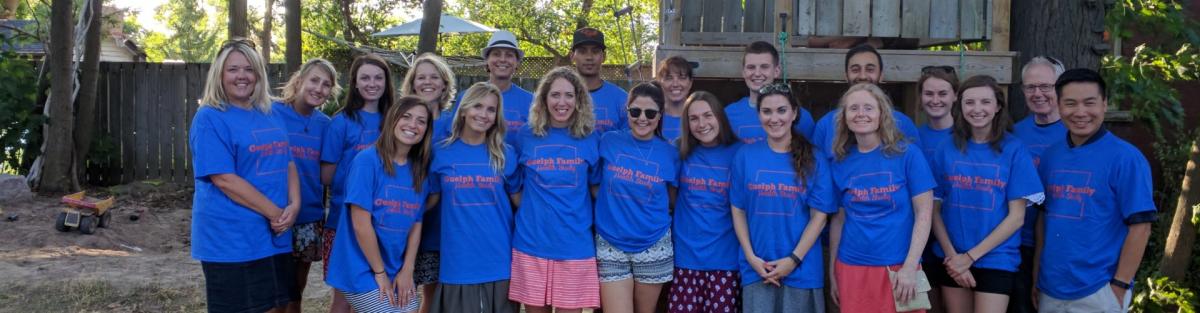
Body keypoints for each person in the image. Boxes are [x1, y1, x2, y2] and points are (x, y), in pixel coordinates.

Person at [189, 38, 299, 313]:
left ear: (259, 74)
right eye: (233, 69)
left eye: (249, 69)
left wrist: (294, 206)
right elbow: (224, 179)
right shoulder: (210, 118)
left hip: (274, 235)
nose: (242, 76)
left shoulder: (270, 113)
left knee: (278, 307)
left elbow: (288, 162)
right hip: (232, 239)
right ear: (220, 74)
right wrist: (276, 212)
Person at [1035, 68, 1156, 313]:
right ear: (1059, 106)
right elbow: (1043, 220)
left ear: (1104, 104)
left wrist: (1119, 286)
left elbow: (1141, 226)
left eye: (1089, 103)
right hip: (1050, 288)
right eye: (1070, 103)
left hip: (1099, 290)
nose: (1080, 112)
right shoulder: (1051, 156)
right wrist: (1037, 276)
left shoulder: (1126, 158)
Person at [927, 75, 1043, 313]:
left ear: (998, 106)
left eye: (985, 102)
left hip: (996, 258)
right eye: (970, 102)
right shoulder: (946, 148)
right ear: (960, 106)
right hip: (952, 257)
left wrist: (969, 257)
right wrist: (953, 257)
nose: (977, 109)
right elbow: (933, 208)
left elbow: (1016, 217)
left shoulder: (1014, 149)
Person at [828, 83, 935, 313]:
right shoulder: (839, 162)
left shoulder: (907, 154)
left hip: (900, 267)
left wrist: (910, 267)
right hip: (853, 266)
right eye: (853, 108)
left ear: (881, 114)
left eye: (868, 107)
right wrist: (832, 270)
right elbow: (838, 220)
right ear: (844, 117)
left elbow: (924, 214)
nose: (861, 114)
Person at [730, 84, 835, 312]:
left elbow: (820, 218)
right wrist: (751, 257)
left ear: (794, 113)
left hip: (801, 270)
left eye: (781, 110)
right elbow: (738, 210)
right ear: (759, 115)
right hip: (758, 269)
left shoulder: (814, 158)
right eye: (767, 111)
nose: (774, 118)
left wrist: (793, 260)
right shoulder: (745, 156)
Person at [508, 66, 603, 312]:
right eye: (555, 95)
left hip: (574, 245)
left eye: (569, 95)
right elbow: (515, 186)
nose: (562, 102)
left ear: (579, 99)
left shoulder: (590, 137)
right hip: (532, 243)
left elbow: (595, 189)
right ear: (544, 99)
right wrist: (533, 210)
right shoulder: (525, 135)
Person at [325, 96, 434, 313]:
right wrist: (380, 273)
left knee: (410, 309)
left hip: (395, 267)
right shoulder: (367, 161)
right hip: (361, 267)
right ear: (392, 119)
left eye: (421, 121)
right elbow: (360, 224)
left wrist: (407, 271)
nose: (413, 125)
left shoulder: (419, 170)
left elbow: (416, 224)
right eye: (406, 117)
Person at [426, 82, 522, 312]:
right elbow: (427, 203)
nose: (484, 114)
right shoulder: (440, 152)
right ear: (464, 109)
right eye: (478, 106)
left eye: (491, 109)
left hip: (499, 259)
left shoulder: (505, 154)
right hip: (457, 260)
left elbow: (522, 203)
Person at [320, 53, 398, 313]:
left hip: (385, 223)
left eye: (378, 77)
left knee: (375, 296)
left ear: (387, 83)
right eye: (365, 77)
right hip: (344, 222)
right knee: (344, 298)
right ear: (354, 82)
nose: (372, 83)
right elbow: (326, 176)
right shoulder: (341, 122)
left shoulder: (396, 120)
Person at [594, 82, 680, 313]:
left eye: (650, 113)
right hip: (611, 241)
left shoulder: (670, 153)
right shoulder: (609, 141)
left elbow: (671, 199)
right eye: (635, 111)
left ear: (660, 116)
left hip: (652, 242)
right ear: (627, 111)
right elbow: (594, 186)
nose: (642, 118)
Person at [272, 58, 341, 313]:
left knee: (295, 291)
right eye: (314, 80)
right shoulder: (271, 112)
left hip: (309, 217)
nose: (319, 88)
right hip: (274, 213)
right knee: (273, 294)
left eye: (326, 85)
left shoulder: (325, 124)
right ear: (299, 80)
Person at [668, 91, 744, 313]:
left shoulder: (739, 152)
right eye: (694, 118)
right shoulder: (679, 150)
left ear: (719, 116)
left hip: (726, 260)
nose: (702, 124)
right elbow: (672, 197)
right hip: (686, 258)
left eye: (708, 115)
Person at [399, 53, 457, 312]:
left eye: (434, 77)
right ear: (412, 84)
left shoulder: (455, 123)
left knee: (434, 295)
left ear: (445, 84)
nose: (427, 82)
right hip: (403, 219)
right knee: (401, 292)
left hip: (443, 223)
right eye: (421, 77)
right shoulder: (400, 121)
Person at [1008, 55, 1065, 313]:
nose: (1037, 93)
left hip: (1058, 246)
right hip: (1018, 243)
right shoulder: (1014, 134)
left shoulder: (1076, 131)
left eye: (1046, 86)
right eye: (1030, 87)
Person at [810, 44, 921, 155]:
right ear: (846, 76)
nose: (863, 76)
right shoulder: (825, 125)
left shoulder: (903, 123)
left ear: (881, 75)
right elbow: (816, 169)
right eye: (855, 70)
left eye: (870, 69)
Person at [914, 65, 959, 313]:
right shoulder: (913, 137)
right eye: (929, 94)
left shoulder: (966, 136)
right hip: (921, 240)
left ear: (955, 96)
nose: (935, 100)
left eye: (942, 93)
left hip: (957, 238)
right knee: (929, 307)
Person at [723, 41, 816, 144]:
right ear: (743, 72)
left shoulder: (801, 116)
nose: (757, 73)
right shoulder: (728, 114)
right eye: (751, 67)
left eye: (764, 67)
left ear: (776, 71)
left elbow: (808, 156)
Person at [450, 30, 534, 137]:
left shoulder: (531, 102)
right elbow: (454, 134)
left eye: (509, 55)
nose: (503, 59)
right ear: (486, 61)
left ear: (517, 63)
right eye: (496, 54)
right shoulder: (466, 97)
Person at [570, 27, 628, 133]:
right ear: (572, 56)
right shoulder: (560, 98)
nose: (589, 57)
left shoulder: (622, 99)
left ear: (604, 56)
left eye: (595, 51)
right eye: (582, 51)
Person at [655, 56, 694, 141]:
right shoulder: (651, 117)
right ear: (660, 83)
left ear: (690, 83)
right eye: (669, 78)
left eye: (682, 78)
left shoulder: (700, 118)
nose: (675, 84)